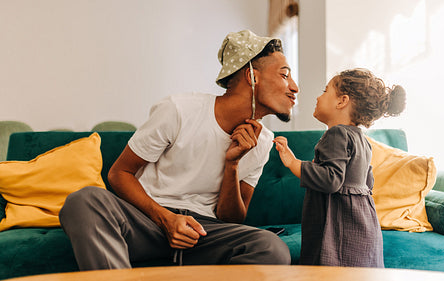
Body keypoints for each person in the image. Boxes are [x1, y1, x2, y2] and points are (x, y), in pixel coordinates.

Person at [59, 30, 299, 270]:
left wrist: (232, 165)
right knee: (84, 200)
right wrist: (166, 219)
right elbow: (119, 174)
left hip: (204, 234)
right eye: (285, 75)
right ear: (252, 77)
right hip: (147, 221)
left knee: (271, 247)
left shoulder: (263, 141)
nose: (295, 87)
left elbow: (232, 219)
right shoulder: (179, 110)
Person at [273, 68, 406, 267]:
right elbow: (367, 181)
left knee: (331, 272)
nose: (318, 97)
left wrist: (292, 162)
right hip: (363, 223)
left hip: (339, 226)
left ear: (342, 101)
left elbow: (330, 180)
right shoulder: (363, 140)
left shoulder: (337, 134)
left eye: (325, 91)